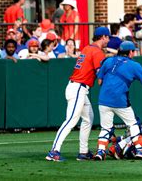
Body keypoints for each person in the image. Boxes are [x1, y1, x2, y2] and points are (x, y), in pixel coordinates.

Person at [46, 27, 110, 162]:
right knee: (71, 120)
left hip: (79, 88)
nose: (108, 40)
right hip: (78, 88)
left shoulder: (87, 48)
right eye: (108, 37)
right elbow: (100, 74)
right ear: (103, 37)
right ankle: (54, 151)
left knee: (88, 118)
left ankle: (83, 152)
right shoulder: (97, 51)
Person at [94, 41, 142, 160]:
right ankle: (141, 150)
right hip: (120, 100)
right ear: (130, 52)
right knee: (133, 124)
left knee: (106, 128)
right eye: (133, 51)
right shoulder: (134, 65)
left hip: (103, 99)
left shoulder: (108, 60)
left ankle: (100, 152)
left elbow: (99, 82)